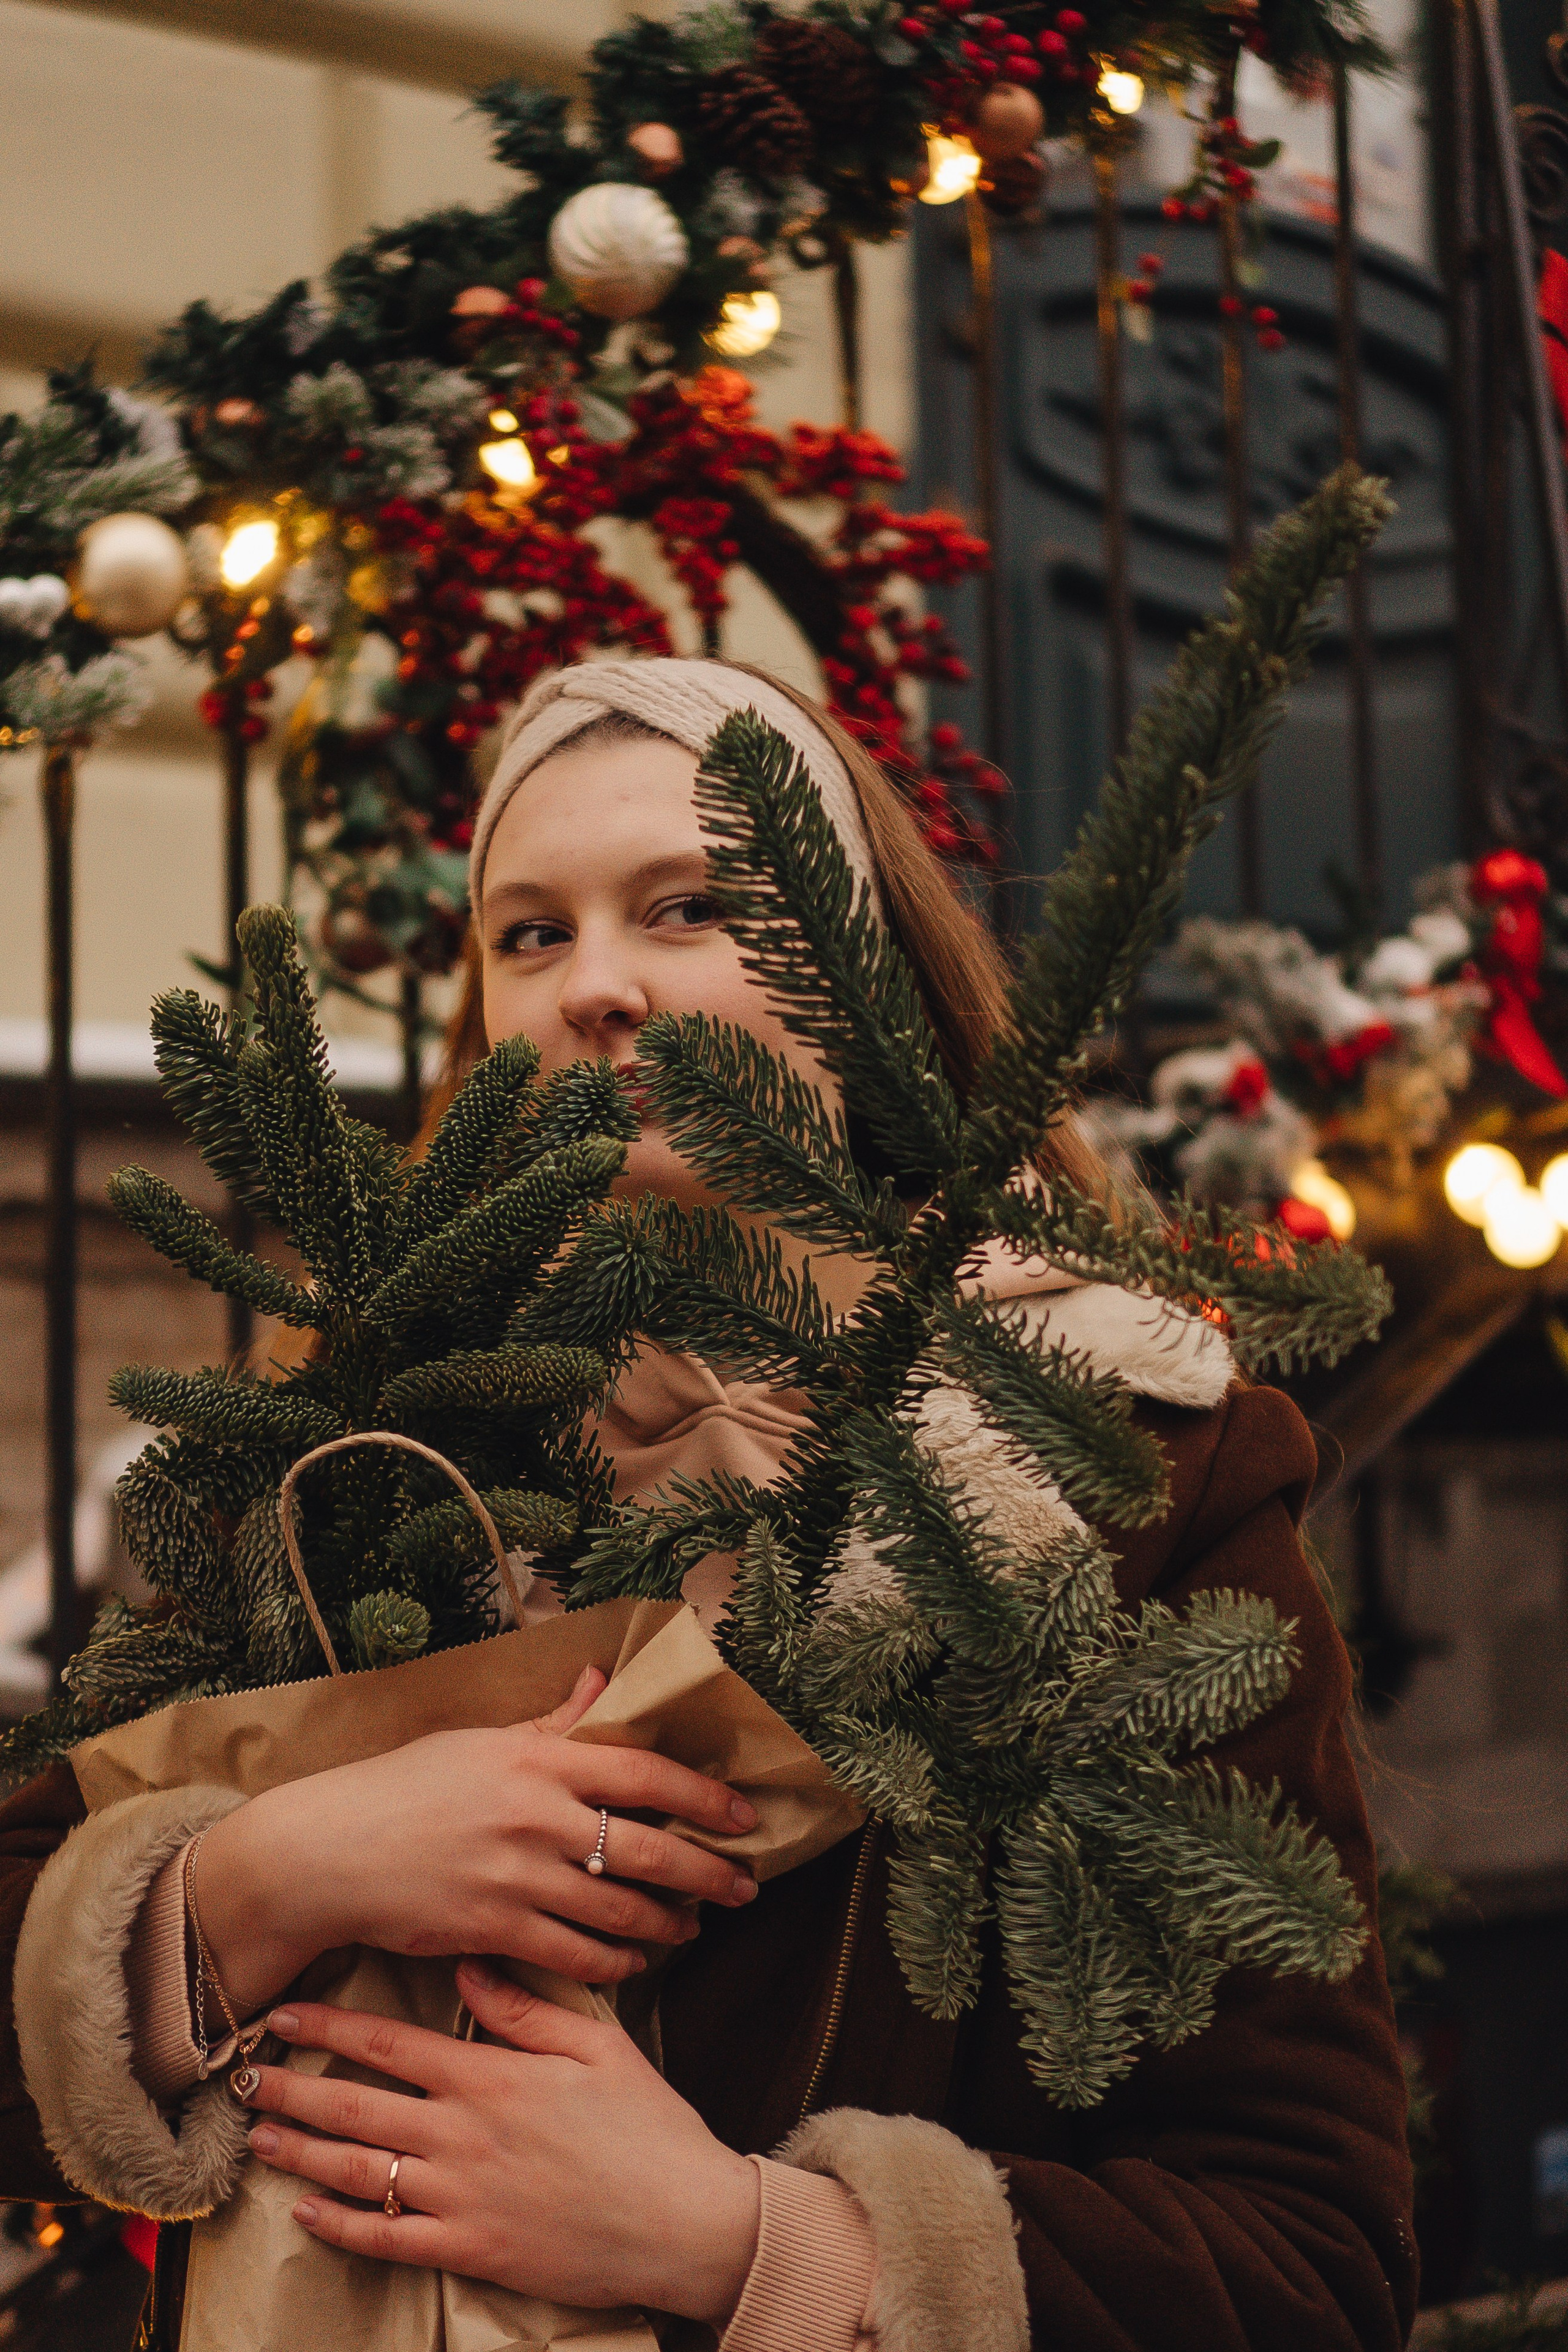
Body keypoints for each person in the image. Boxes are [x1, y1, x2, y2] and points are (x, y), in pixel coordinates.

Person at [0, 658, 1416, 2351]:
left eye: (687, 907)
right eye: (528, 934)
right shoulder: (343, 1459)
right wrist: (278, 1871)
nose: (595, 984)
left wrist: (741, 2243)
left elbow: (1308, 2264)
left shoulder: (1125, 1470)